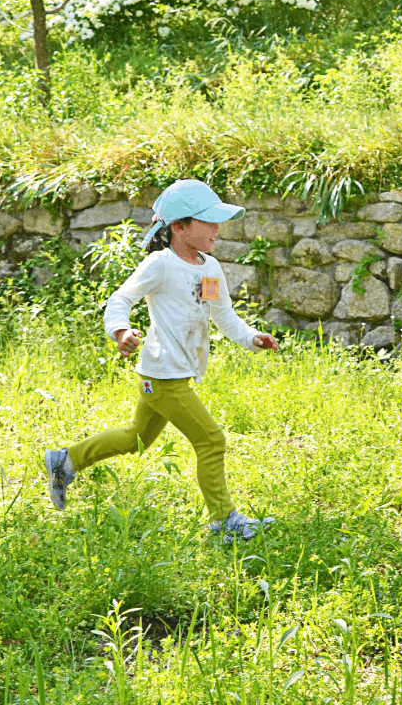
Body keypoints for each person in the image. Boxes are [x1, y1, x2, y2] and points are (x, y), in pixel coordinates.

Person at [43, 179, 281, 541]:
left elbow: (223, 314)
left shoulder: (210, 267)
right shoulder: (161, 264)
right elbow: (121, 299)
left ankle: (66, 460)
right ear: (179, 227)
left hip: (172, 373)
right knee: (211, 441)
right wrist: (120, 331)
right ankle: (224, 522)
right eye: (207, 221)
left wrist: (251, 337)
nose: (216, 229)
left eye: (217, 222)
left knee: (135, 438)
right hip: (162, 373)